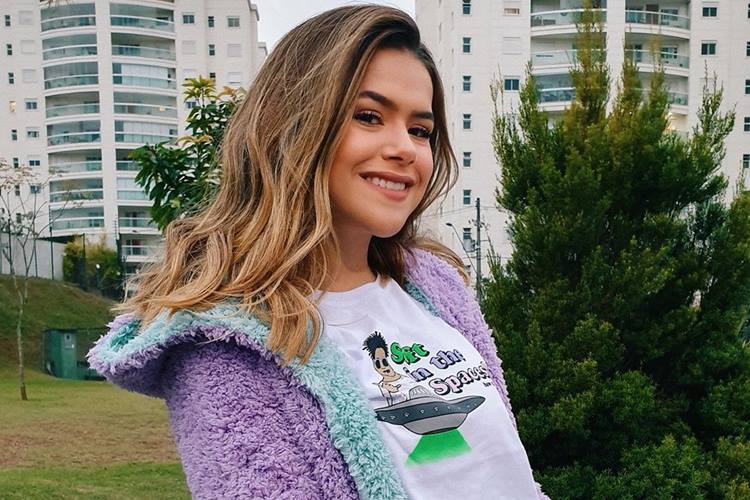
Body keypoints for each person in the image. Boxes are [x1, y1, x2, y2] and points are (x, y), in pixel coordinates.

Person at [88, 5, 548, 499]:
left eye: (420, 130)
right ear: (292, 126)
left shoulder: (435, 286)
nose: (405, 148)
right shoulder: (225, 343)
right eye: (368, 117)